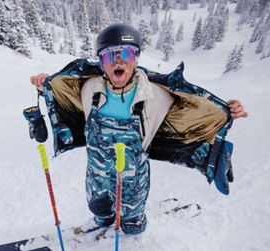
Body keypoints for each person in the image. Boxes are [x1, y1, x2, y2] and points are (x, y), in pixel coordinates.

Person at [29, 24, 247, 235]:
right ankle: (102, 222)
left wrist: (226, 110)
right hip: (96, 173)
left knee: (132, 225)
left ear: (136, 59)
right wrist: (44, 85)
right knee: (99, 210)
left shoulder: (157, 95)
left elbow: (197, 108)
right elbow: (60, 93)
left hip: (133, 180)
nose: (118, 60)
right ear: (101, 63)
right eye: (109, 55)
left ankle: (134, 228)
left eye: (125, 53)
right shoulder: (88, 88)